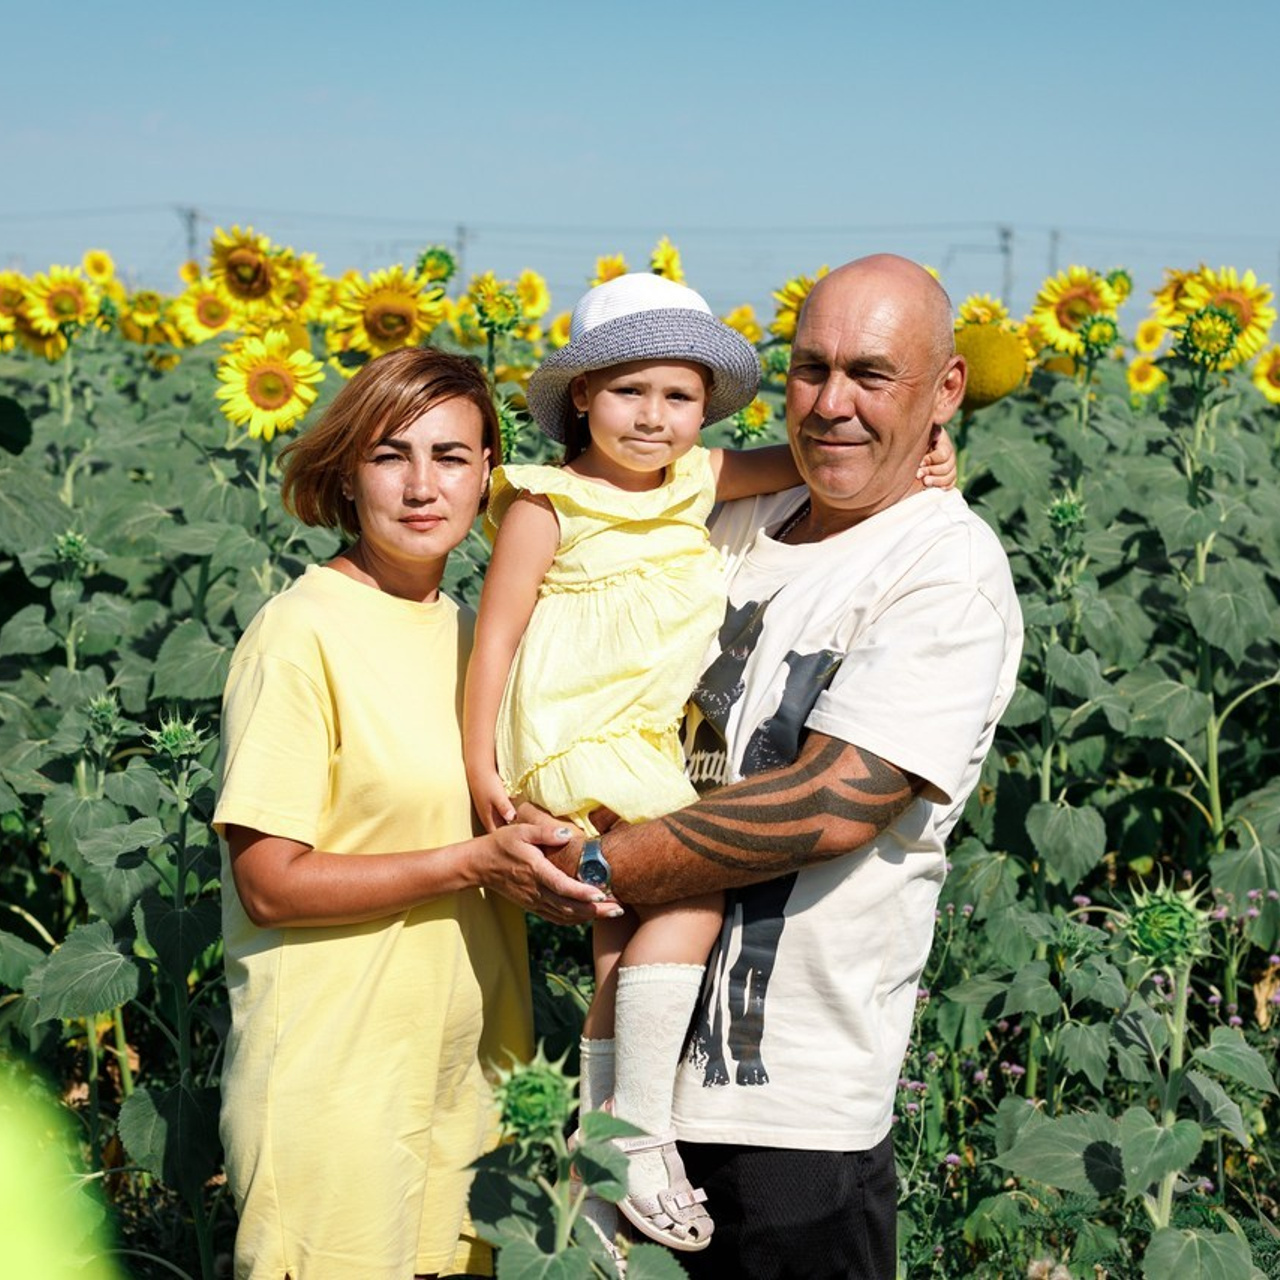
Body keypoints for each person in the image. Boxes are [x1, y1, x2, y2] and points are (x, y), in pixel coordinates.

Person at [532, 254, 1024, 1279]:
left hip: (790, 1120)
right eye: (809, 369)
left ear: (943, 394)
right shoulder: (724, 518)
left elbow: (828, 804)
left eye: (871, 375)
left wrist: (585, 868)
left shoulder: (944, 569)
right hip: (624, 1085)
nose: (831, 403)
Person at [213, 347, 614, 1280]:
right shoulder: (298, 633)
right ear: (347, 476)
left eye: (451, 456)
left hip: (469, 1083)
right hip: (334, 1087)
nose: (423, 485)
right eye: (391, 455)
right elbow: (267, 884)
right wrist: (474, 864)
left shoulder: (481, 638)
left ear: (489, 476)